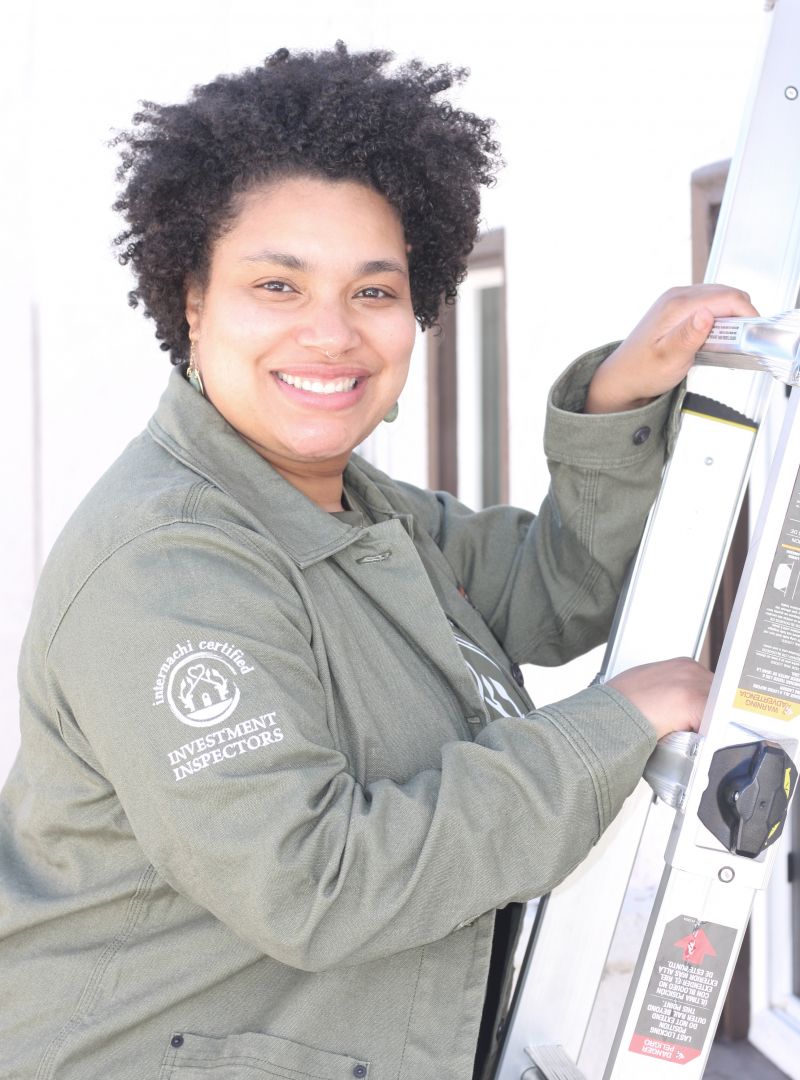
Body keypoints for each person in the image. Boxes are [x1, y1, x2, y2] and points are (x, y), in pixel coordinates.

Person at [0, 43, 756, 1080]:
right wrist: (610, 726)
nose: (331, 334)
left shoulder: (356, 505)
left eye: (372, 290)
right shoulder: (167, 562)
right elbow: (315, 884)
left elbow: (552, 592)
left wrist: (616, 402)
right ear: (192, 300)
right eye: (277, 284)